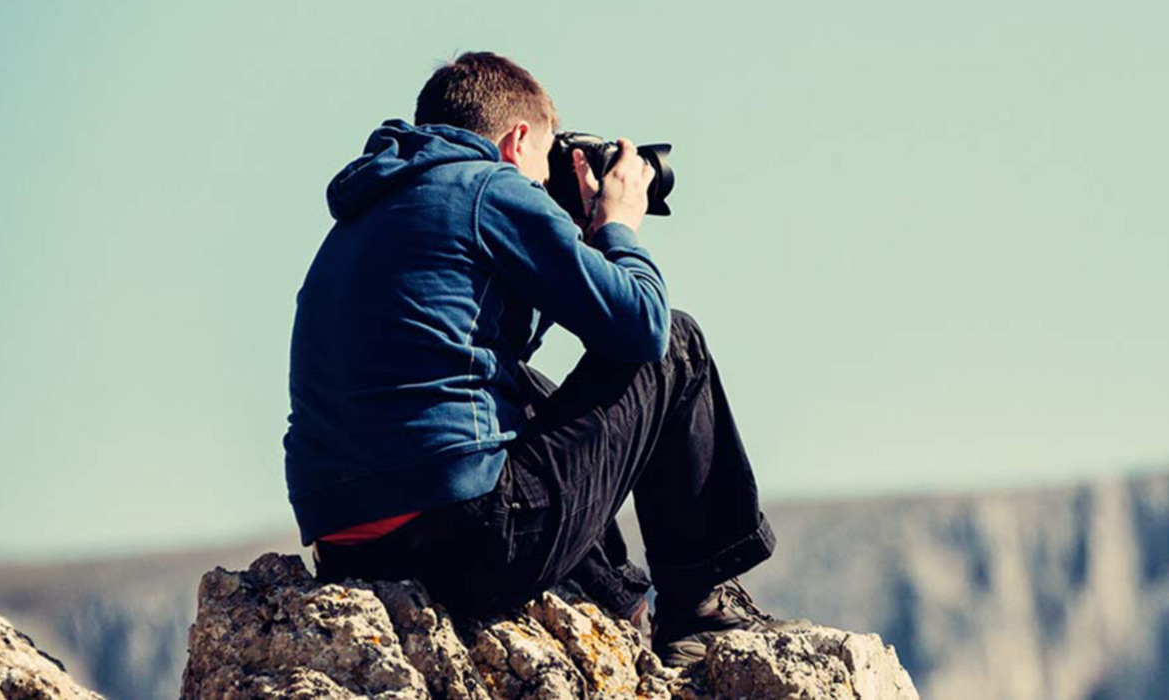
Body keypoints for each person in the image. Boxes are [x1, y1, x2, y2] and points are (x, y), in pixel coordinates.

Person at [283, 50, 806, 667]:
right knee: (677, 345)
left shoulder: (371, 209)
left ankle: (618, 605)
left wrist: (568, 241)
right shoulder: (488, 186)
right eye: (546, 158)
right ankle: (699, 610)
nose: (544, 180)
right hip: (464, 542)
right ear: (517, 139)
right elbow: (642, 328)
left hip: (349, 550)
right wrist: (617, 228)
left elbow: (481, 354)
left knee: (522, 389)